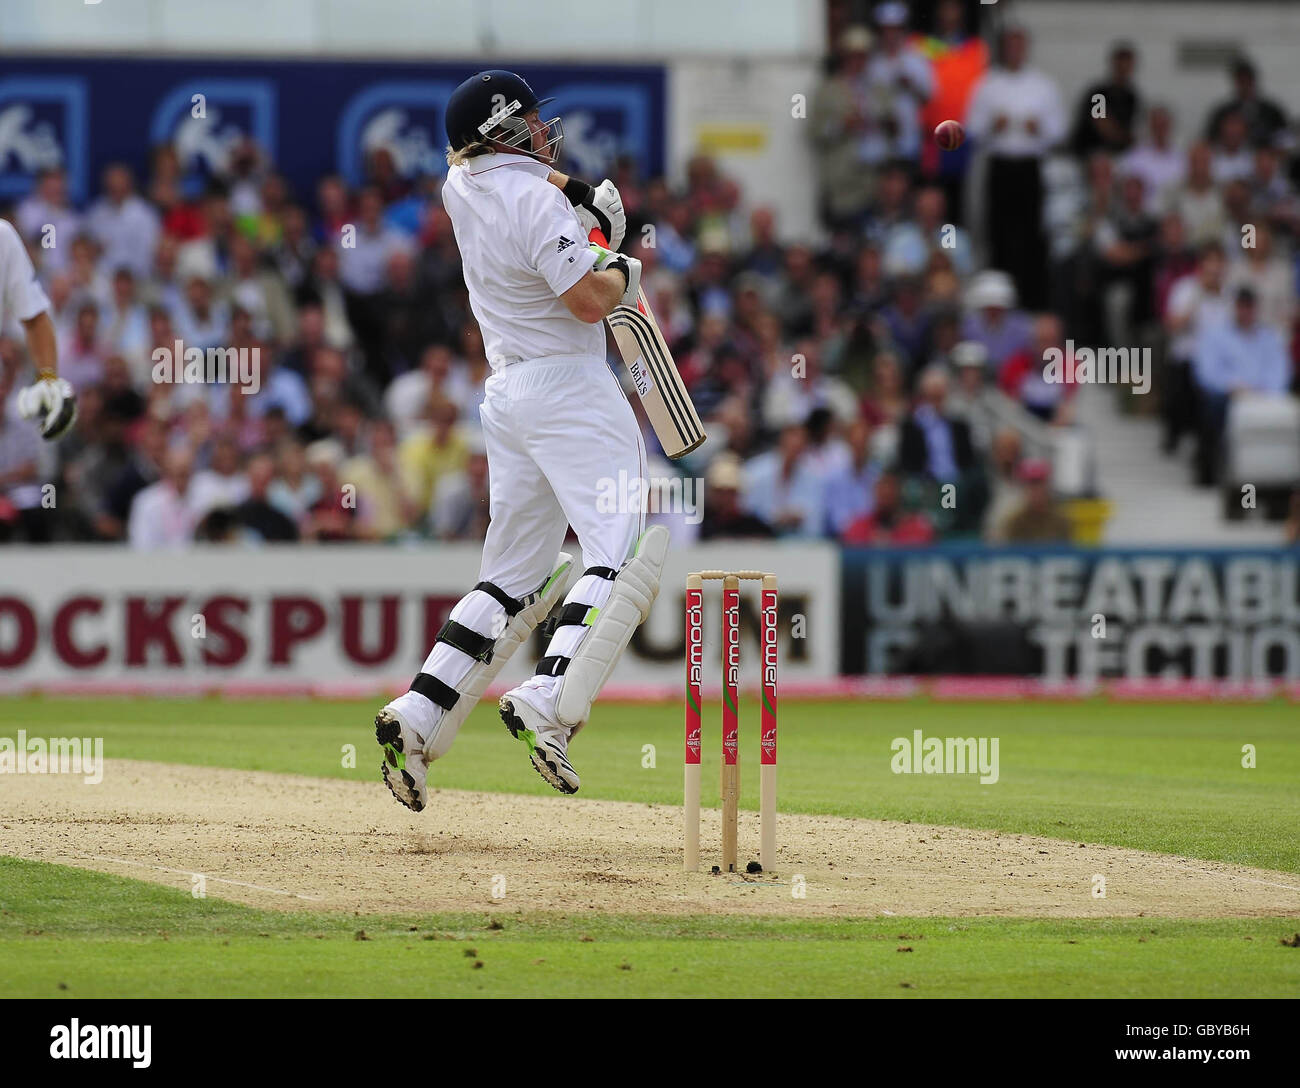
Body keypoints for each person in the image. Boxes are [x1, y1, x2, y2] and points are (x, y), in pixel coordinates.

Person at [375, 69, 663, 811]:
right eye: (531, 123)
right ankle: (550, 701)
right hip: (571, 388)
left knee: (514, 577)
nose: (544, 132)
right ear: (505, 131)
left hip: (507, 396)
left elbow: (505, 173)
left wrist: (576, 197)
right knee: (622, 552)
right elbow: (588, 299)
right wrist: (615, 255)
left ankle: (418, 715)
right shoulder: (533, 202)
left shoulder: (460, 187)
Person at [966, 25, 1065, 310]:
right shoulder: (987, 84)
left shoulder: (1043, 85)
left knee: (1032, 234)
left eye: (1019, 45)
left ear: (1026, 49)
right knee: (999, 233)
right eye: (1009, 45)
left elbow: (1059, 131)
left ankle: (1033, 300)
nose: (1014, 51)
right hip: (1001, 167)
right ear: (1002, 49)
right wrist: (991, 126)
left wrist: (1040, 128)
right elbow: (971, 128)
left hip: (1029, 167)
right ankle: (997, 299)